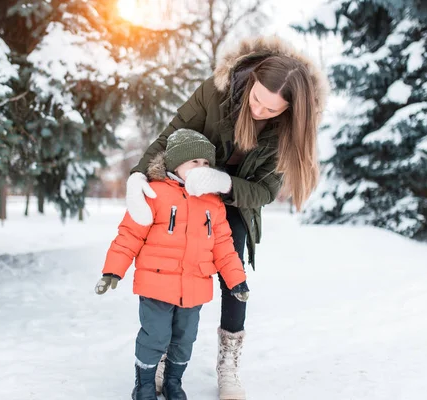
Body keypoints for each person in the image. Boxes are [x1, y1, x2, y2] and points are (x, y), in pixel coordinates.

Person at [125, 36, 329, 400]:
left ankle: (228, 363)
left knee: (233, 277)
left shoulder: (288, 132)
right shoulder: (215, 92)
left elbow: (265, 190)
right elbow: (169, 136)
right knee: (176, 267)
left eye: (272, 110)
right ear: (250, 82)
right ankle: (162, 356)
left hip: (234, 201)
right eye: (257, 101)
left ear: (290, 111)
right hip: (187, 195)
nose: (260, 111)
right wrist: (138, 176)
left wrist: (224, 183)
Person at [96, 129, 251, 400]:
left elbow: (224, 246)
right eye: (195, 162)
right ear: (175, 163)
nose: (201, 168)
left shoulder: (213, 203)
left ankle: (172, 382)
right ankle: (143, 385)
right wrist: (113, 270)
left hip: (194, 287)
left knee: (184, 340)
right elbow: (129, 234)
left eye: (206, 164)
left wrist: (236, 279)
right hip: (157, 284)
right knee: (154, 337)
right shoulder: (154, 194)